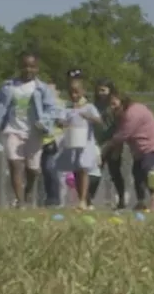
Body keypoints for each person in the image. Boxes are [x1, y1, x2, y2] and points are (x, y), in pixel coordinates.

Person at [0, 53, 58, 208]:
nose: (28, 69)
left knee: (33, 169)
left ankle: (28, 191)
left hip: (34, 131)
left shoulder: (41, 89)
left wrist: (43, 122)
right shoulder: (9, 86)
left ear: (37, 69)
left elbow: (51, 109)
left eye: (32, 66)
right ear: (19, 67)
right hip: (12, 128)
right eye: (25, 66)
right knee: (15, 164)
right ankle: (20, 201)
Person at [102, 93, 154, 212]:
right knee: (136, 173)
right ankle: (141, 202)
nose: (111, 107)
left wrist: (106, 147)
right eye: (109, 105)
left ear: (122, 101)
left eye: (114, 103)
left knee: (146, 169)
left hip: (153, 144)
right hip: (139, 148)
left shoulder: (133, 112)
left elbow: (123, 134)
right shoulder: (121, 114)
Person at [55, 76, 102, 211]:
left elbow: (99, 121)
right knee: (76, 170)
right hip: (72, 141)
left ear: (83, 91)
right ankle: (82, 198)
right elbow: (60, 121)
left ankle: (82, 200)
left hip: (86, 143)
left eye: (76, 92)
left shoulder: (89, 107)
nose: (74, 95)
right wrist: (62, 122)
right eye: (71, 93)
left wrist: (88, 117)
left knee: (83, 168)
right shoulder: (67, 108)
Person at [91, 79, 127, 209]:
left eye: (104, 90)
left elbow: (120, 127)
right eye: (99, 90)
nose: (101, 93)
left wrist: (118, 147)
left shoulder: (113, 105)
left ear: (110, 90)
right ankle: (89, 199)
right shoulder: (95, 105)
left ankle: (122, 199)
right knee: (96, 171)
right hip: (99, 144)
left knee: (115, 172)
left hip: (112, 144)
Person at [38, 73, 69, 207]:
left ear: (57, 91)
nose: (49, 92)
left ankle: (56, 199)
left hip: (57, 140)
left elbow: (66, 121)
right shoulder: (40, 104)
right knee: (44, 170)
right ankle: (48, 198)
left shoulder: (62, 104)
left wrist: (60, 121)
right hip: (41, 139)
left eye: (52, 89)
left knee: (54, 170)